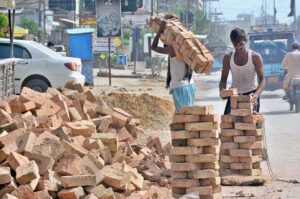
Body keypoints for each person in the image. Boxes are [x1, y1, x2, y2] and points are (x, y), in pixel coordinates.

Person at [151, 22, 195, 113]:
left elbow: (153, 47)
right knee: (189, 116)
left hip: (180, 88)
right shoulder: (187, 48)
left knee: (183, 117)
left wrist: (159, 31)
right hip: (190, 85)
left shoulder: (172, 50)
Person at [219, 28, 265, 114]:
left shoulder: (255, 57)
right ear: (232, 44)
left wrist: (256, 95)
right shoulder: (228, 58)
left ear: (246, 40)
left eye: (241, 44)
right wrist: (222, 91)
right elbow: (223, 80)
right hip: (234, 95)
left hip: (251, 94)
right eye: (235, 45)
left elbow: (262, 80)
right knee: (228, 124)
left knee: (251, 124)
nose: (238, 47)